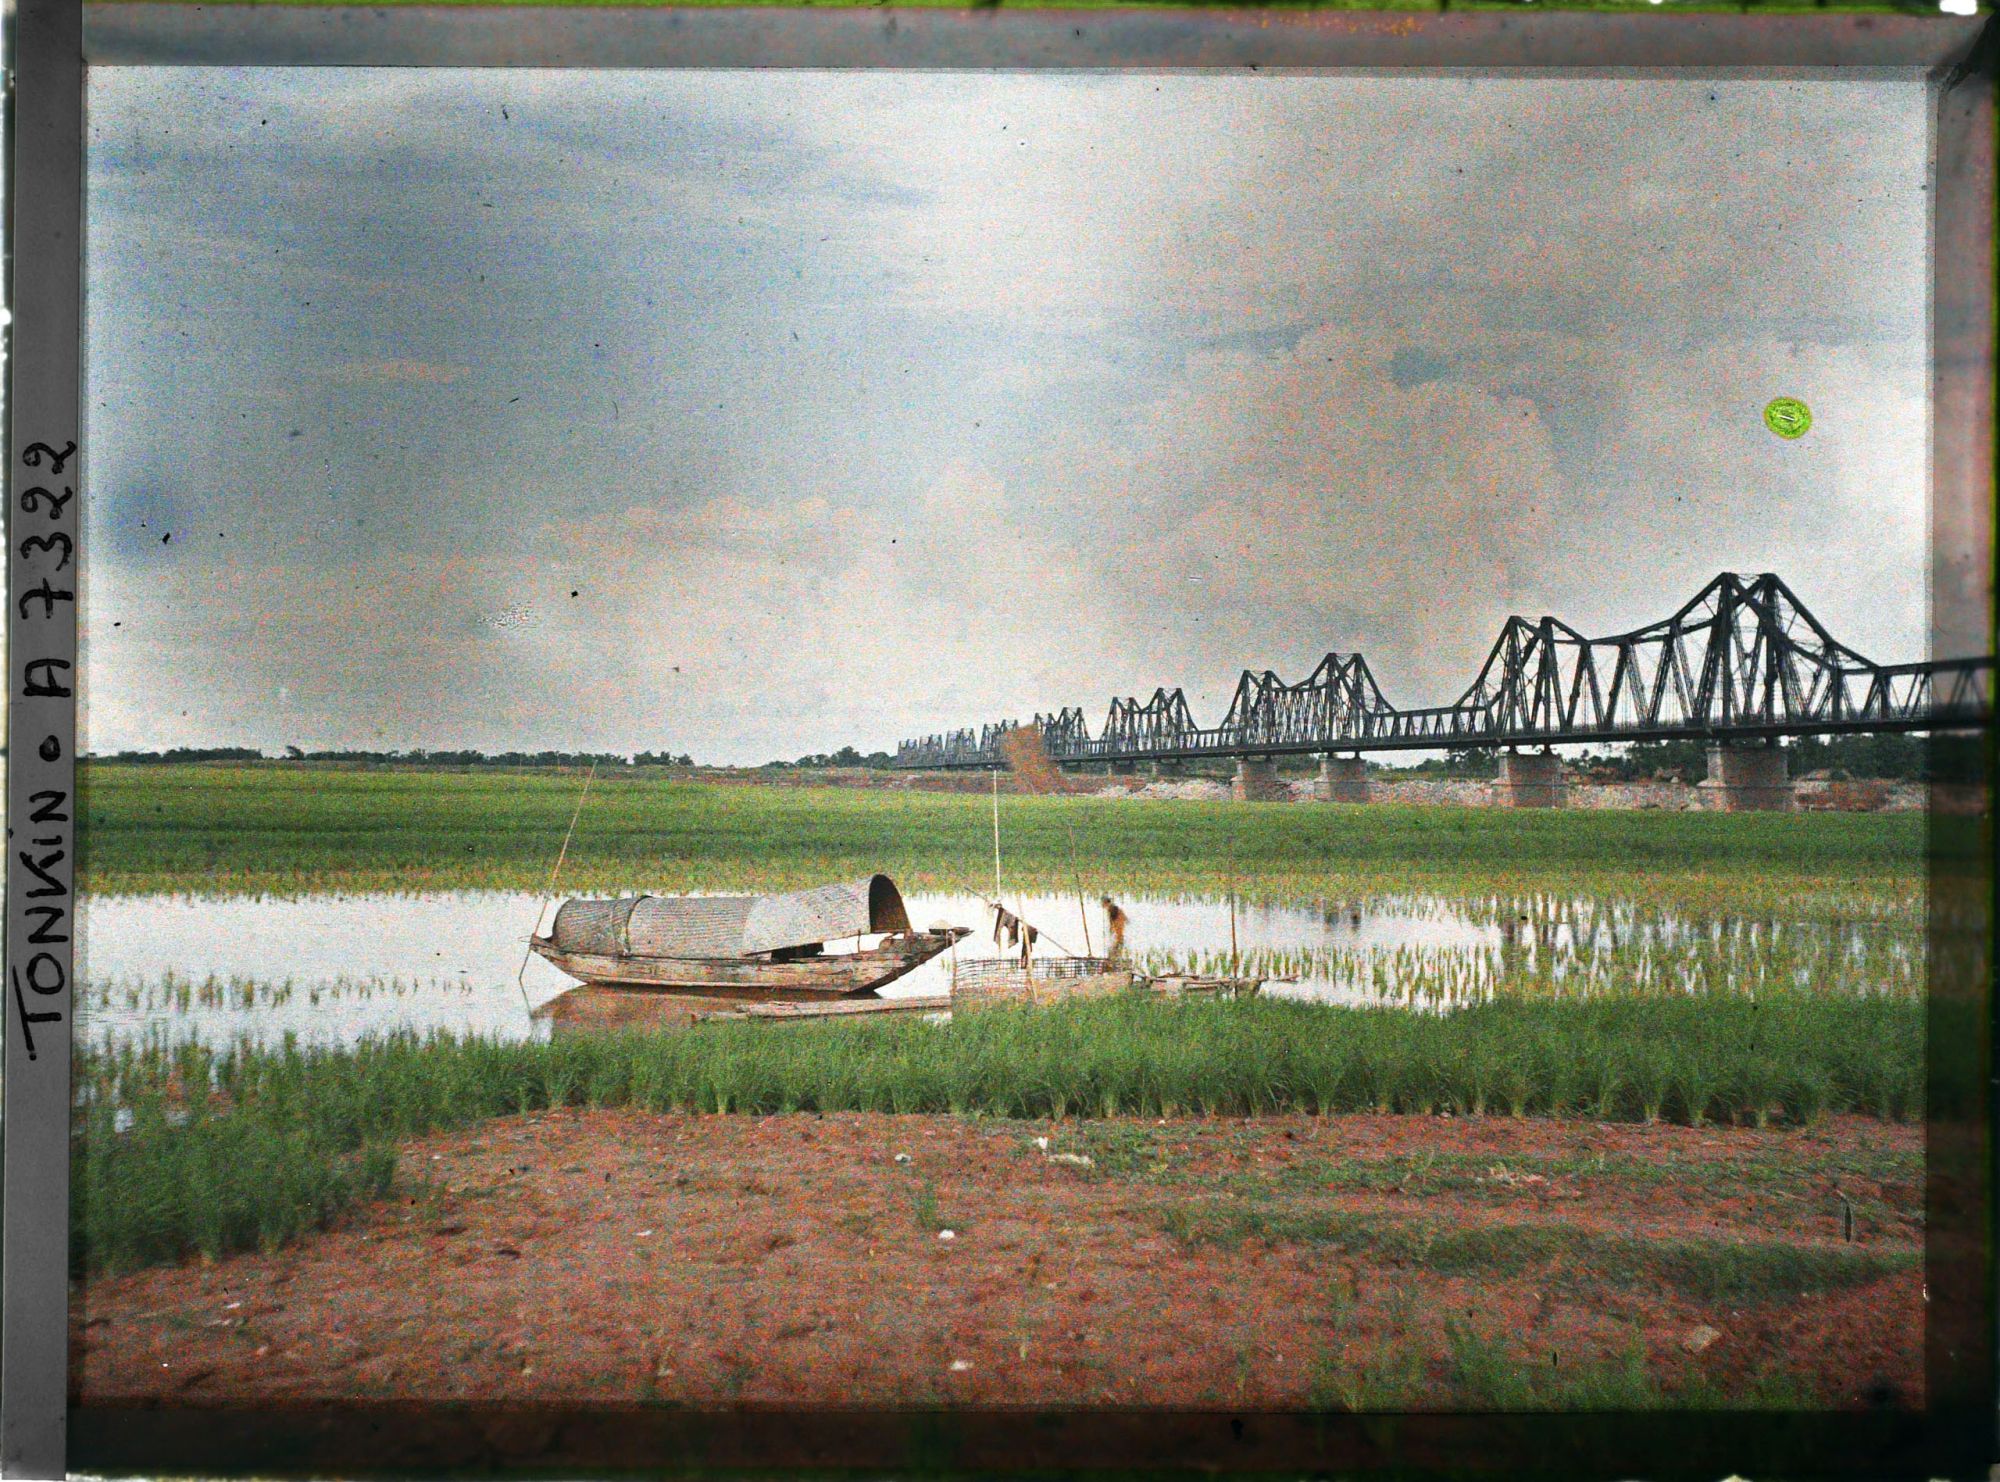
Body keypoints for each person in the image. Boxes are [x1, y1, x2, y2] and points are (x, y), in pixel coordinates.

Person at [1100, 896, 1128, 962]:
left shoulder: (1112, 909)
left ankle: (1115, 957)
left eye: (1103, 903)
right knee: (1115, 946)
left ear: (1106, 903)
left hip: (1119, 928)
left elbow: (1113, 921)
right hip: (1119, 928)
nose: (1102, 905)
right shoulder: (1112, 908)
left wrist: (1111, 929)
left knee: (1117, 943)